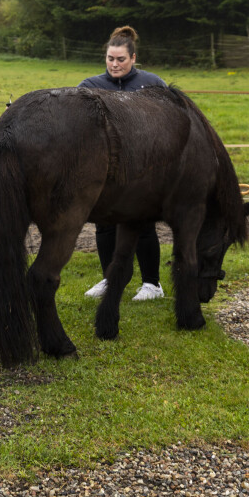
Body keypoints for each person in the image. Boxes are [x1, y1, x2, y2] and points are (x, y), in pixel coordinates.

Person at [78, 25, 166, 302]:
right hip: (105, 167)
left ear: (133, 58)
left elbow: (169, 124)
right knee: (104, 224)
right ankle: (109, 279)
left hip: (143, 167)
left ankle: (152, 284)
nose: (114, 64)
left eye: (121, 59)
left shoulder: (153, 84)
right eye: (110, 59)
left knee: (141, 224)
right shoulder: (90, 86)